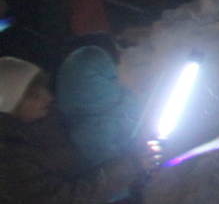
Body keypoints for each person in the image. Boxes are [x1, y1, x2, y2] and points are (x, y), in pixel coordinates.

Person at [0, 56, 144, 204]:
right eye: (34, 95)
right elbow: (64, 199)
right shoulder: (9, 161)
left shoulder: (50, 119)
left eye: (44, 88)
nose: (48, 97)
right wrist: (130, 166)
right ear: (10, 107)